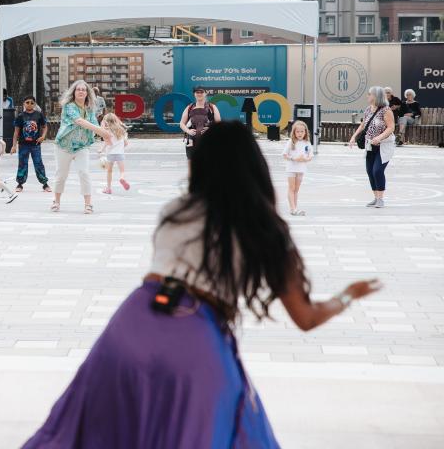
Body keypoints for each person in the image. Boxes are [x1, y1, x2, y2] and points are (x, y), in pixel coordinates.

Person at [22, 122, 382, 449]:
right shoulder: (264, 229)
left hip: (132, 323)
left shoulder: (176, 211)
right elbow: (306, 317)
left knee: (101, 434)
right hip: (194, 334)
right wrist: (348, 295)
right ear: (256, 167)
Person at [51, 80, 111, 214]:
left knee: (84, 173)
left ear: (87, 93)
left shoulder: (89, 109)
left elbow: (95, 124)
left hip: (81, 147)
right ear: (74, 92)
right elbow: (79, 121)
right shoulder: (69, 106)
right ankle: (56, 201)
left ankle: (88, 204)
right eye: (78, 89)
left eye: (84, 90)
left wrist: (106, 134)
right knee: (61, 175)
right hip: (64, 146)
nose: (81, 91)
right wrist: (102, 132)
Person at [348, 85, 396, 209]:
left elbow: (391, 127)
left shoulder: (386, 110)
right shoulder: (368, 109)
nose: (367, 96)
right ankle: (375, 198)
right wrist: (354, 137)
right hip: (370, 145)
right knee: (370, 171)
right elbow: (363, 124)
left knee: (377, 170)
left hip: (383, 146)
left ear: (376, 96)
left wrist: (379, 137)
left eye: (369, 94)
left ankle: (380, 199)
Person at [11, 95, 50, 192]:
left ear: (35, 104)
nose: (29, 104)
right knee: (22, 163)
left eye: (32, 103)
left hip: (35, 144)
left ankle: (45, 184)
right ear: (24, 104)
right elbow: (16, 132)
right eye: (27, 102)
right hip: (23, 145)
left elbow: (45, 126)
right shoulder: (20, 116)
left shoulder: (39, 115)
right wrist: (14, 145)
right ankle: (20, 184)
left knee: (38, 163)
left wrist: (43, 136)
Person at [179, 86, 221, 162]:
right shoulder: (189, 107)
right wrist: (188, 131)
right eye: (197, 92)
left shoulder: (212, 107)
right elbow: (182, 123)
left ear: (205, 93)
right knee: (192, 162)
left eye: (201, 92)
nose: (199, 94)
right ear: (194, 94)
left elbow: (219, 124)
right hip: (191, 140)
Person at [282, 120, 313, 216]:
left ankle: (295, 208)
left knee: (296, 189)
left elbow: (310, 155)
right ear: (294, 132)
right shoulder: (291, 142)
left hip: (301, 169)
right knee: (291, 188)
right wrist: (294, 158)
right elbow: (284, 155)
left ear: (305, 132)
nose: (300, 134)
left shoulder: (307, 143)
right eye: (297, 131)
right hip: (291, 168)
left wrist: (305, 159)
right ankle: (293, 208)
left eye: (302, 131)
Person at [99, 113, 130, 194]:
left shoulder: (107, 131)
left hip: (110, 154)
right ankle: (122, 178)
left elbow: (107, 142)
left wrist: (101, 149)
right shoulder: (121, 130)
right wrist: (120, 146)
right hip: (120, 153)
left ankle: (108, 188)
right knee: (122, 171)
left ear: (106, 121)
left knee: (109, 171)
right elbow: (126, 143)